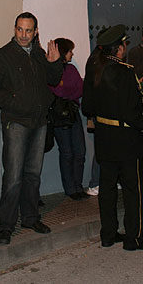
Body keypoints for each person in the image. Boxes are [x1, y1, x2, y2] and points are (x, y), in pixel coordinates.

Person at [82, 24, 143, 250]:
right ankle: (134, 238)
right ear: (119, 48)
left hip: (104, 140)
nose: (124, 48)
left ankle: (108, 235)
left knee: (107, 191)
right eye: (124, 44)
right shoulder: (125, 71)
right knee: (134, 190)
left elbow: (87, 107)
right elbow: (133, 114)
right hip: (128, 142)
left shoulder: (93, 68)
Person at [0, 12, 63, 245]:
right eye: (20, 29)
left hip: (39, 122)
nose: (23, 35)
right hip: (16, 122)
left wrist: (55, 62)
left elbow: (53, 79)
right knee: (13, 177)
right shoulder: (3, 56)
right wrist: (14, 102)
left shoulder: (39, 53)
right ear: (15, 28)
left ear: (36, 31)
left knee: (32, 175)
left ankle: (30, 217)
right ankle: (6, 226)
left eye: (28, 30)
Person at [49, 37, 87, 201]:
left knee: (80, 151)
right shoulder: (52, 69)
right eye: (70, 51)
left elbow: (79, 89)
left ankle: (78, 185)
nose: (72, 54)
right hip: (59, 115)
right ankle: (70, 189)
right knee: (66, 153)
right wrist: (66, 92)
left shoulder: (71, 69)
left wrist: (66, 92)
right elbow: (56, 90)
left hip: (73, 113)